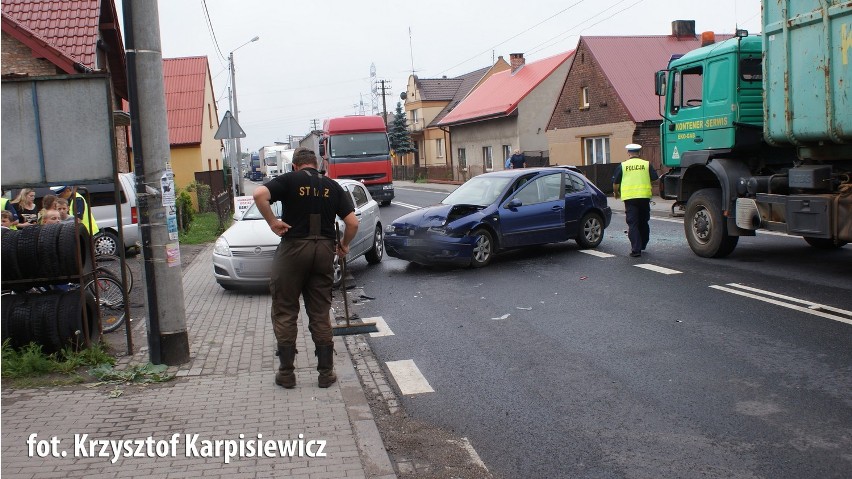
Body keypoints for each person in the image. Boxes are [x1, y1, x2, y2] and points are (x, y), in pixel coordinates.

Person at [253, 147, 359, 389]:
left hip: (293, 249)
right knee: (320, 312)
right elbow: (352, 222)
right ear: (316, 164)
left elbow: (259, 195)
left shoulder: (290, 180)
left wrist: (273, 222)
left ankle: (287, 373)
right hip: (323, 250)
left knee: (285, 310)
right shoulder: (333, 186)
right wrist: (343, 246)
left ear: (295, 166)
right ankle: (326, 374)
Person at [612, 143, 658, 257]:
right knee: (644, 221)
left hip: (630, 198)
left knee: (633, 223)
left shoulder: (623, 166)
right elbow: (654, 179)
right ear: (639, 153)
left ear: (628, 153)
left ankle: (636, 250)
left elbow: (616, 183)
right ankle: (643, 245)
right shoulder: (646, 164)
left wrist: (616, 193)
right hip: (644, 197)